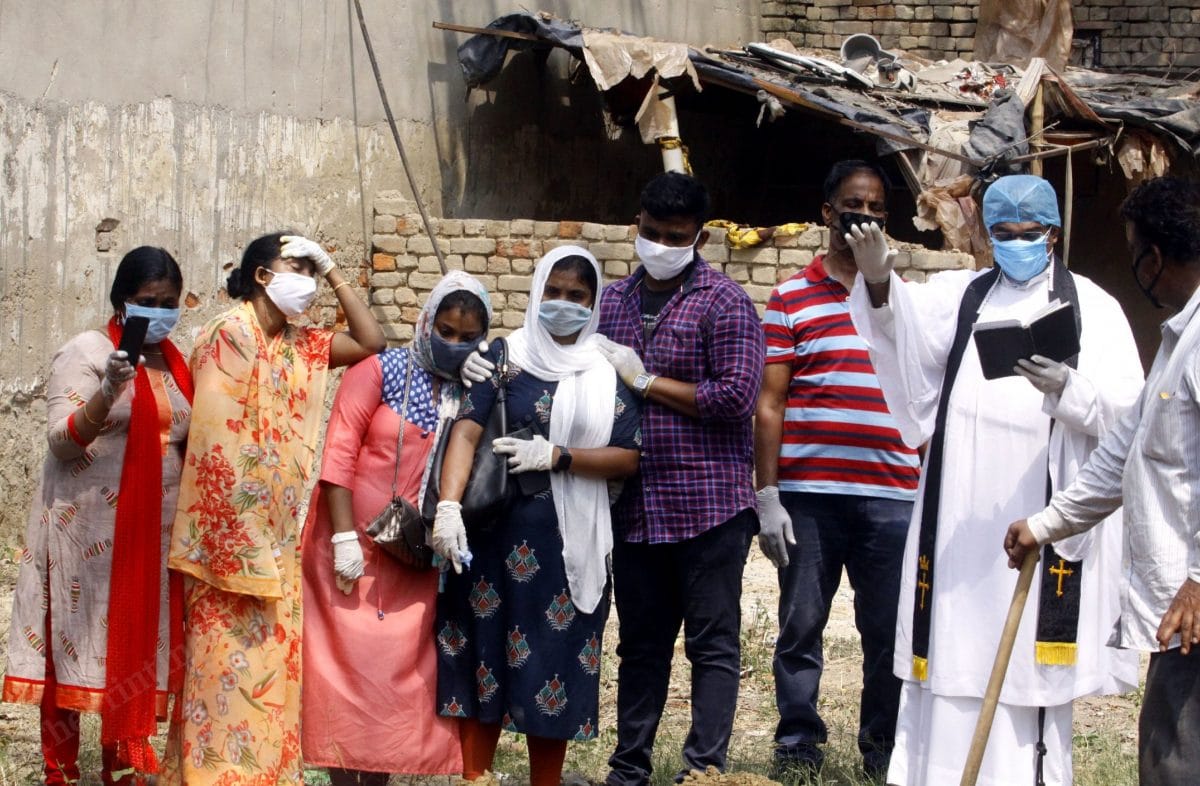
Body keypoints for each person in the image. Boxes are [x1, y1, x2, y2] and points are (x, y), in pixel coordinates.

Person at [846, 174, 1143, 785]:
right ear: (985, 233)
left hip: (1038, 519)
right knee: (951, 655)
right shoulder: (959, 295)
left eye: (1028, 234)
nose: (1015, 244)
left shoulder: (1095, 307)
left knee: (1023, 674)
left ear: (1054, 235)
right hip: (956, 521)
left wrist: (1070, 390)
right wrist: (879, 279)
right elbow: (898, 339)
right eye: (1002, 233)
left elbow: (1131, 418)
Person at [162, 233, 385, 786]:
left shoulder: (299, 344)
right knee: (219, 675)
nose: (307, 282)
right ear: (263, 276)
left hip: (277, 542)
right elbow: (217, 443)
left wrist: (334, 271)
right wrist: (242, 547)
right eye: (298, 268)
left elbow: (371, 340)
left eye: (313, 271)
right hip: (227, 547)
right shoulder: (227, 333)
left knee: (265, 678)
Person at [1004, 176, 1200, 785]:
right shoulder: (1177, 345)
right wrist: (1044, 526)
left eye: (1134, 250)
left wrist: (1199, 580)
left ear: (1154, 257)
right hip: (1180, 615)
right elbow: (1121, 456)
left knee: (1177, 764)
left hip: (1193, 609)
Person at [432, 246, 641, 786]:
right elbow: (467, 432)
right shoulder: (503, 357)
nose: (562, 304)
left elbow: (629, 456)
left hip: (566, 549)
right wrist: (449, 506)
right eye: (553, 292)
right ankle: (473, 777)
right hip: (493, 542)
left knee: (554, 662)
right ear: (535, 291)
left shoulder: (607, 368)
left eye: (577, 296)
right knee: (486, 659)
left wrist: (559, 456)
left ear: (593, 304)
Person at [595, 172, 764, 785]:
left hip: (709, 505)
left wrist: (646, 383)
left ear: (699, 236)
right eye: (651, 232)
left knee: (712, 645)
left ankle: (704, 771)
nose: (660, 244)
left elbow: (736, 397)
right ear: (635, 223)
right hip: (634, 505)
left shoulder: (725, 302)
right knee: (640, 645)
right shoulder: (610, 302)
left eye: (675, 236)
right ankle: (628, 768)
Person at [754, 160, 920, 779]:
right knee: (800, 627)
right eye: (855, 205)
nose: (867, 217)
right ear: (827, 213)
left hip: (892, 495)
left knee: (886, 633)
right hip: (811, 498)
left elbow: (924, 394)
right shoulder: (791, 297)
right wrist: (766, 495)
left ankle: (883, 751)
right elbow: (770, 402)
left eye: (878, 209)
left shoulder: (906, 300)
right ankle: (798, 748)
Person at [3, 247, 192, 785]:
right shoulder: (87, 350)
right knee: (71, 639)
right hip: (83, 532)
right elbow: (62, 441)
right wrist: (108, 390)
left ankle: (121, 769)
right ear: (121, 301)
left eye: (169, 303)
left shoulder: (176, 363)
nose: (158, 312)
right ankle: (58, 770)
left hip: (147, 540)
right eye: (147, 302)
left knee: (128, 654)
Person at [300, 271, 491, 785]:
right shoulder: (379, 372)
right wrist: (343, 538)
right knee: (343, 677)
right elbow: (338, 453)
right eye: (445, 331)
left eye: (467, 337)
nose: (453, 344)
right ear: (426, 322)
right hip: (350, 549)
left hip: (413, 555)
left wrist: (490, 378)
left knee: (392, 680)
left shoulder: (471, 392)